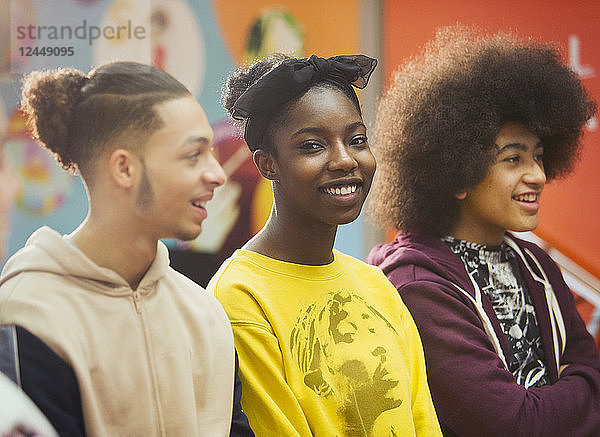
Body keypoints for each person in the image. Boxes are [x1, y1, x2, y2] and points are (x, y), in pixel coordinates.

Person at [366, 26, 600, 437]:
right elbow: (509, 424)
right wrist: (572, 385)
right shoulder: (418, 285)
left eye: (540, 157)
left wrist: (568, 389)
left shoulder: (538, 266)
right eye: (514, 159)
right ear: (458, 173)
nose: (538, 176)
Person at [0, 61, 253, 436]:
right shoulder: (30, 315)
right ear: (124, 168)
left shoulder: (205, 314)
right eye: (193, 155)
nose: (217, 174)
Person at [209, 54, 442, 436]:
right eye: (313, 146)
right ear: (268, 165)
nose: (345, 159)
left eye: (357, 140)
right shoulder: (240, 295)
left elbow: (423, 422)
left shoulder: (377, 285)